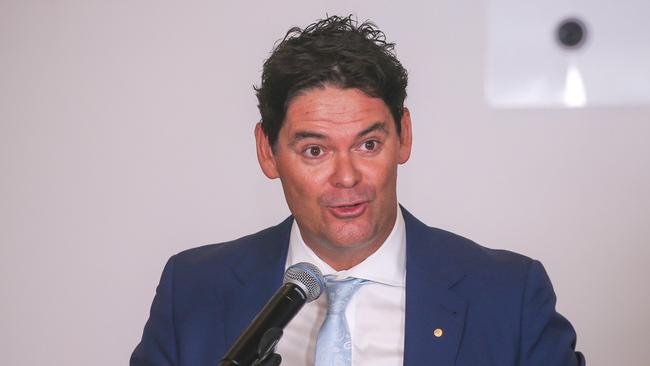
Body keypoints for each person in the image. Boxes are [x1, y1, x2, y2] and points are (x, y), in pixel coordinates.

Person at [131, 15, 585, 366]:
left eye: (368, 144)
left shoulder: (508, 294)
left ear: (403, 136)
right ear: (267, 153)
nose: (347, 177)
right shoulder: (192, 289)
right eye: (314, 151)